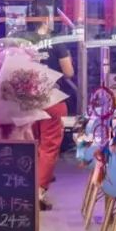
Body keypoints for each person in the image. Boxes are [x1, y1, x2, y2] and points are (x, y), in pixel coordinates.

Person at [34, 34, 76, 209]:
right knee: (49, 147)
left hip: (26, 100)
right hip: (51, 99)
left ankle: (25, 188)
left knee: (31, 145)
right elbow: (68, 72)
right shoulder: (57, 43)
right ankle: (38, 192)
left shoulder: (22, 40)